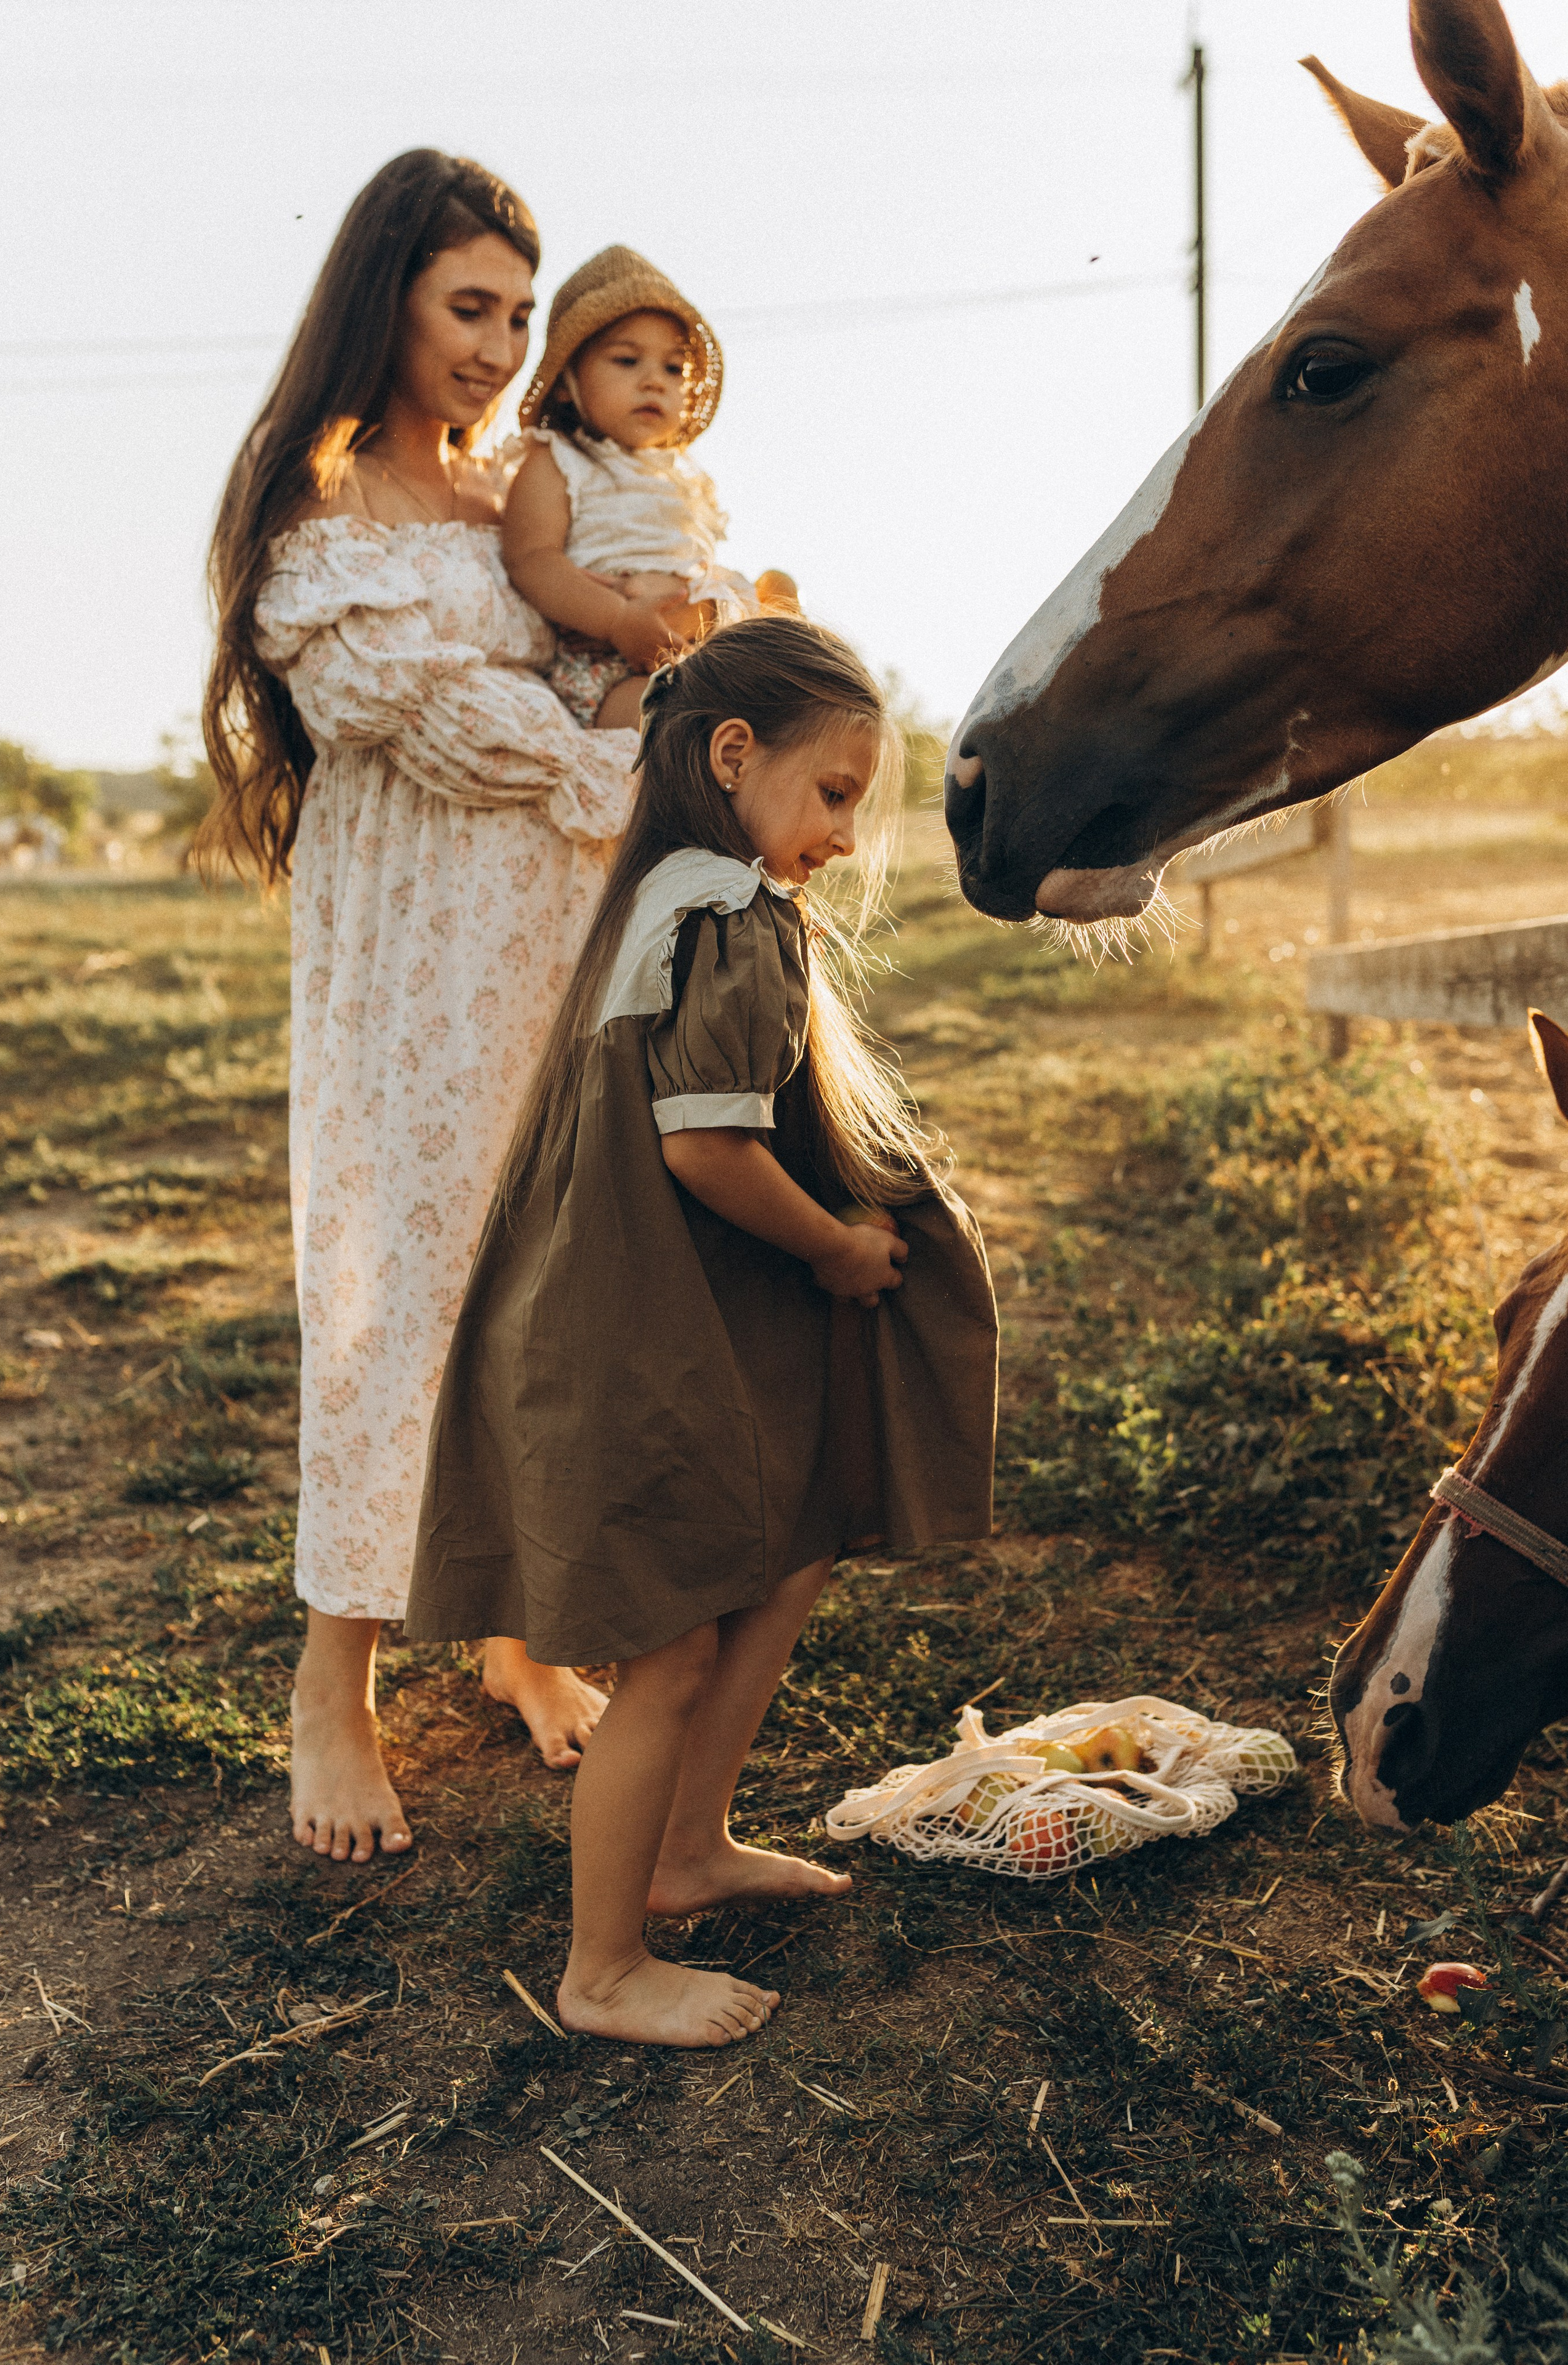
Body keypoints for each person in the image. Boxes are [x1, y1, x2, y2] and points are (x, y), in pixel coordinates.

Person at [408, 617, 998, 2046]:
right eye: (836, 792)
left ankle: (688, 1846)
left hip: (621, 1316)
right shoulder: (729, 912)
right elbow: (705, 1148)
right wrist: (843, 1246)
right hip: (624, 1341)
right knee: (662, 1653)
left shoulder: (652, 894)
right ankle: (601, 1966)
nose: (847, 837)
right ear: (733, 756)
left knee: (785, 1555)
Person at [200, 150, 643, 1865]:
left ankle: (518, 1623)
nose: (496, 345)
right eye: (470, 307)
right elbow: (444, 721)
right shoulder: (314, 518)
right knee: (396, 1290)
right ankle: (336, 1681)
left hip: (553, 939)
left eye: (521, 316)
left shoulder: (527, 492)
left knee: (542, 1285)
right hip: (410, 967)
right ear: (383, 297)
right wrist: (616, 756)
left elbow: (601, 659)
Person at [501, 246, 786, 734]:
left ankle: (780, 655)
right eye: (628, 361)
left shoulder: (676, 472)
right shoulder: (558, 458)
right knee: (674, 727)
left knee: (772, 596)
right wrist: (617, 619)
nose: (654, 381)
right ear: (568, 382)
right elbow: (531, 559)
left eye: (674, 368)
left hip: (694, 644)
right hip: (608, 660)